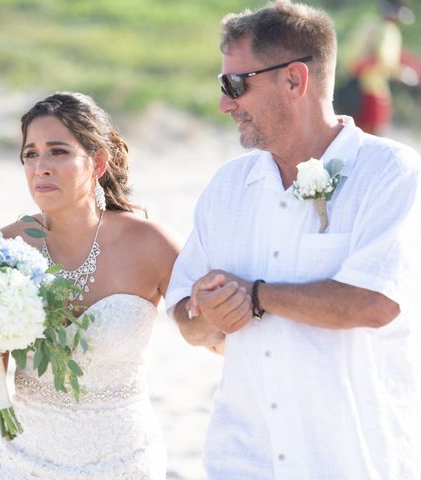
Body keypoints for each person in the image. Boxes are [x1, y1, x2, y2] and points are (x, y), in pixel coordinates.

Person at [166, 1, 421, 479]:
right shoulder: (226, 187)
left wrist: (255, 296)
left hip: (353, 462)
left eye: (235, 84)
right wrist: (208, 313)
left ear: (294, 80)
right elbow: (185, 313)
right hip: (242, 460)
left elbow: (376, 303)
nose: (224, 103)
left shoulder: (391, 173)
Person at [0, 92, 178, 479]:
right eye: (30, 154)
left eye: (58, 152)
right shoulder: (2, 249)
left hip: (124, 461)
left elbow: (209, 332)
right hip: (22, 461)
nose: (41, 167)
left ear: (97, 162)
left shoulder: (150, 244)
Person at [342, 0, 418, 135]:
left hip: (355, 86)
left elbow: (350, 56)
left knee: (354, 132)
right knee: (374, 134)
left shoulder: (367, 25)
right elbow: (386, 62)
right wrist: (403, 73)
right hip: (375, 88)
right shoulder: (388, 31)